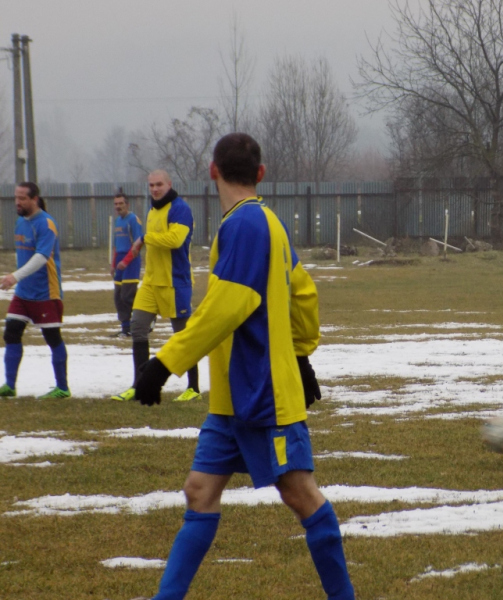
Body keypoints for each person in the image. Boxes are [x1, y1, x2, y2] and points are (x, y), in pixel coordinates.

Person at [134, 133, 354, 600]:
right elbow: (303, 292)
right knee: (199, 491)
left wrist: (164, 362)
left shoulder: (246, 226)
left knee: (300, 494)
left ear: (212, 171)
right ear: (260, 173)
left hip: (263, 394)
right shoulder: (264, 222)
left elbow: (227, 306)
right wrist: (302, 350)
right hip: (233, 400)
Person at [111, 170, 200, 403]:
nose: (154, 189)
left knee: (182, 336)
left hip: (175, 282)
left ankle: (194, 387)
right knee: (137, 327)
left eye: (159, 184)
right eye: (151, 185)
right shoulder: (152, 210)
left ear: (169, 184)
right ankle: (139, 385)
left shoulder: (180, 209)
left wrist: (145, 238)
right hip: (151, 283)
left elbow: (175, 240)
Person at [0, 182, 70, 399]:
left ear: (34, 199)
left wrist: (14, 276)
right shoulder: (20, 223)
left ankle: (63, 388)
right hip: (23, 293)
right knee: (11, 333)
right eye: (16, 197)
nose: (18, 202)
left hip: (45, 293)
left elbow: (40, 258)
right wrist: (18, 280)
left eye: (22, 198)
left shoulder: (47, 224)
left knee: (52, 337)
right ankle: (10, 385)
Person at [110, 193, 143, 338]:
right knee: (118, 297)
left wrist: (126, 261)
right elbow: (116, 246)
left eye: (121, 204)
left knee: (127, 295)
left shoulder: (133, 220)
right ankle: (125, 329)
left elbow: (138, 243)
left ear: (127, 205)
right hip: (119, 262)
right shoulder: (117, 221)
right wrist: (113, 263)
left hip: (131, 261)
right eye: (116, 204)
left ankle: (146, 318)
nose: (118, 207)